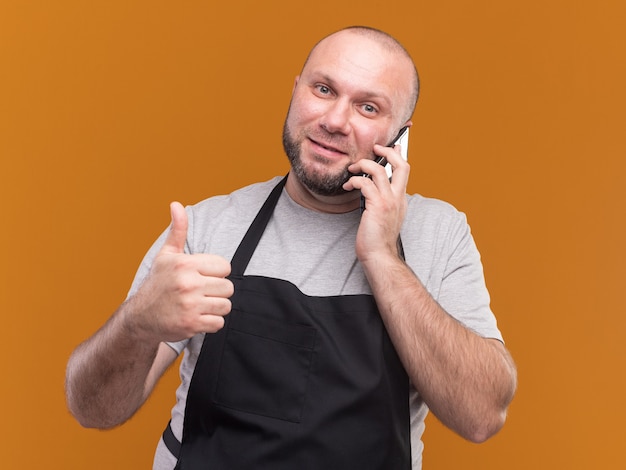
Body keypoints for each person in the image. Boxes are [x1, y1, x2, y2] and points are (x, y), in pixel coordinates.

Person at [66, 26, 517, 469]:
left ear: (400, 134)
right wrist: (136, 323)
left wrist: (382, 257)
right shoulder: (208, 226)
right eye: (323, 89)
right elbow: (94, 410)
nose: (335, 121)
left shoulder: (438, 233)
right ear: (295, 91)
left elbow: (480, 416)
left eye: (367, 106)